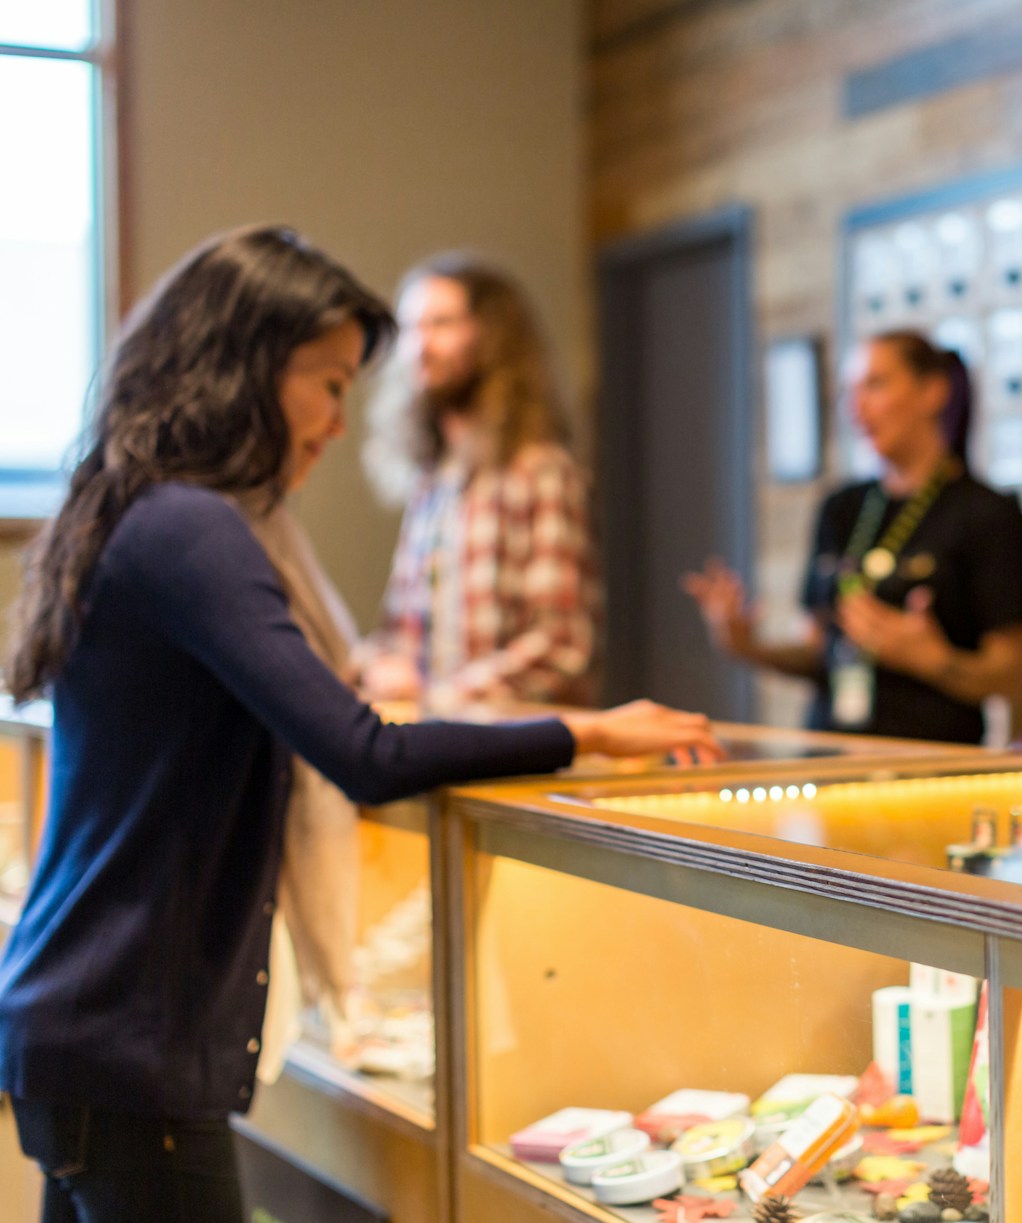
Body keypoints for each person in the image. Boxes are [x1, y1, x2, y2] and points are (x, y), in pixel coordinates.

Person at [0, 226, 719, 1223]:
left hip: (86, 1026)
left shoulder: (141, 509)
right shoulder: (193, 528)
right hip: (131, 1039)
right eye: (329, 381)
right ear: (250, 368)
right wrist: (585, 730)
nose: (340, 421)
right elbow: (365, 751)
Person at [683, 331, 1022, 745]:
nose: (857, 407)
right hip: (831, 759)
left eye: (875, 385)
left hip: (931, 767)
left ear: (933, 392)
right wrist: (745, 645)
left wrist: (933, 660)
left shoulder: (987, 513)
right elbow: (818, 652)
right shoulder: (842, 508)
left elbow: (1012, 676)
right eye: (849, 392)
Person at [359, 254, 598, 707]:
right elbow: (400, 634)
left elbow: (561, 646)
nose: (420, 346)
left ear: (492, 336)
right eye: (411, 328)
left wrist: (437, 696)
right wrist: (372, 665)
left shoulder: (540, 471)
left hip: (518, 756)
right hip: (442, 748)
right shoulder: (433, 483)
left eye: (441, 324)